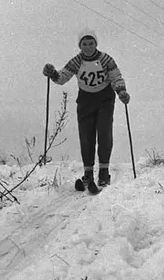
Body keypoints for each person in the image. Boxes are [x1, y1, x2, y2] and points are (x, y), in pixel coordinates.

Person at [43, 28, 129, 194]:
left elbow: (116, 77)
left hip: (105, 99)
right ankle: (88, 174)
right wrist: (52, 73)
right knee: (86, 137)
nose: (88, 47)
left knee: (104, 133)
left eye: (91, 44)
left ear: (96, 44)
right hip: (85, 101)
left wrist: (121, 92)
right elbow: (62, 77)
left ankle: (104, 173)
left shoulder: (105, 59)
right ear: (80, 45)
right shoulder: (77, 61)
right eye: (84, 44)